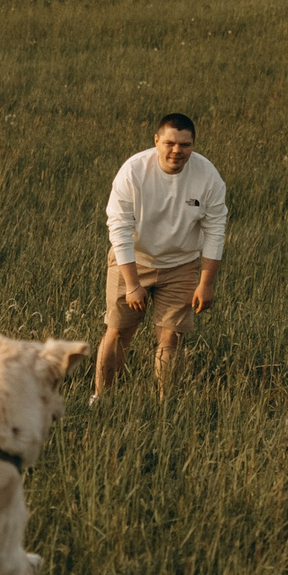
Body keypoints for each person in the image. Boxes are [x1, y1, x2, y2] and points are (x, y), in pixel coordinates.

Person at [97, 113, 228, 397]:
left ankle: (164, 404)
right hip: (133, 259)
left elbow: (215, 230)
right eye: (170, 143)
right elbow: (119, 228)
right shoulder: (133, 171)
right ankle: (102, 399)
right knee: (118, 332)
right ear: (156, 141)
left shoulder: (208, 176)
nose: (176, 151)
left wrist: (206, 284)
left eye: (185, 145)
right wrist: (133, 285)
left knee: (171, 337)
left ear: (193, 145)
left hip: (181, 264)